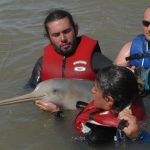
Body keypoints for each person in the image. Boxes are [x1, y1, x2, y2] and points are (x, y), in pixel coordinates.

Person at [27, 9, 112, 112]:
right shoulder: (42, 64)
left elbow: (119, 86)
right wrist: (40, 103)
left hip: (88, 116)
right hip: (55, 116)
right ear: (48, 37)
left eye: (67, 31)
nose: (63, 38)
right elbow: (30, 89)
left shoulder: (94, 59)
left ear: (76, 29)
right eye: (56, 35)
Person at [74, 65, 149, 144]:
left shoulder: (99, 132)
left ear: (109, 100)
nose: (92, 90)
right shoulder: (132, 97)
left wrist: (137, 136)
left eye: (96, 89)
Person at [114, 6, 150, 94]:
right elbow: (112, 76)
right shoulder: (130, 49)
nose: (149, 29)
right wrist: (125, 74)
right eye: (146, 23)